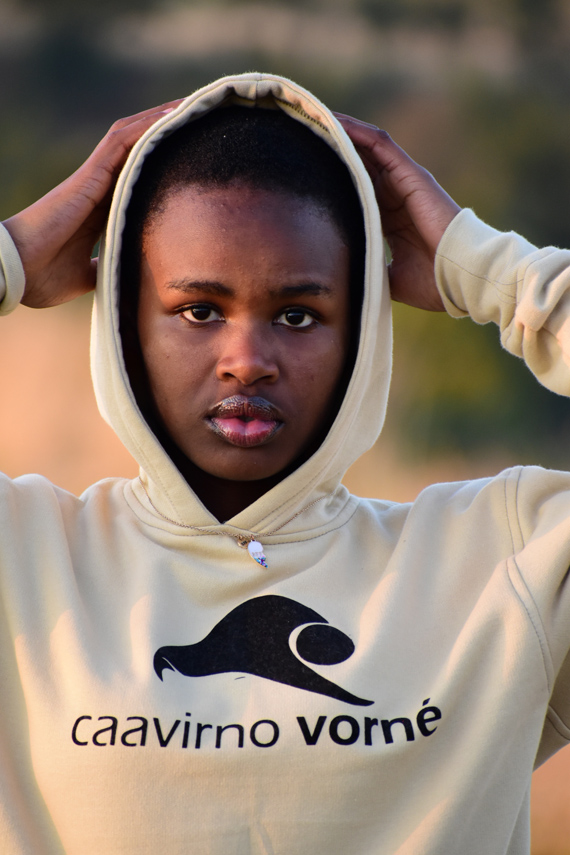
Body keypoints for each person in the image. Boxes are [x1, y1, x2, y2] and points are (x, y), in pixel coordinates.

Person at [1, 71, 570, 854]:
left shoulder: (503, 563)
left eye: (298, 315)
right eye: (199, 310)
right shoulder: (26, 556)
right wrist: (12, 253)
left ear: (360, 323)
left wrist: (504, 278)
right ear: (126, 318)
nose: (247, 360)